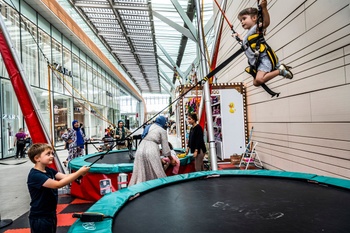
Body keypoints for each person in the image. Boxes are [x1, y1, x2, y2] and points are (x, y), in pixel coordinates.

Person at [27, 143, 89, 233]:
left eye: (52, 153)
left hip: (50, 213)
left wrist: (78, 174)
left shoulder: (48, 170)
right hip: (40, 217)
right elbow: (57, 184)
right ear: (37, 158)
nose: (52, 156)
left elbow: (65, 177)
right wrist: (78, 173)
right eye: (48, 154)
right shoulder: (35, 175)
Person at [234, 0, 293, 87]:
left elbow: (266, 23)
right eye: (240, 21)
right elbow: (248, 43)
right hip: (258, 62)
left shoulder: (256, 28)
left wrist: (264, 8)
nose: (242, 22)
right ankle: (279, 70)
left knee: (259, 79)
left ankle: (280, 70)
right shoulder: (249, 33)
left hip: (264, 59)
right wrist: (240, 38)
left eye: (244, 18)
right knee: (255, 83)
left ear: (254, 18)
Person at [128, 116, 177, 186]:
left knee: (141, 172)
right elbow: (166, 149)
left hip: (140, 148)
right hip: (152, 148)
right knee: (156, 170)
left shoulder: (148, 126)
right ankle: (156, 188)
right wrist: (171, 159)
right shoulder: (162, 130)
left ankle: (139, 188)